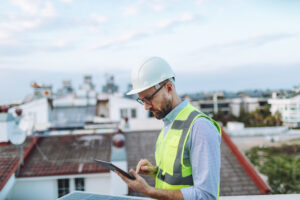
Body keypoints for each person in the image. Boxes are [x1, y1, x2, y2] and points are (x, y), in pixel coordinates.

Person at [115, 57, 222, 200]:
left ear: (169, 88)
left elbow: (206, 195)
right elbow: (179, 176)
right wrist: (155, 172)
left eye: (149, 98)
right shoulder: (169, 124)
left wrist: (148, 191)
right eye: (142, 101)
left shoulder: (200, 127)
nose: (146, 106)